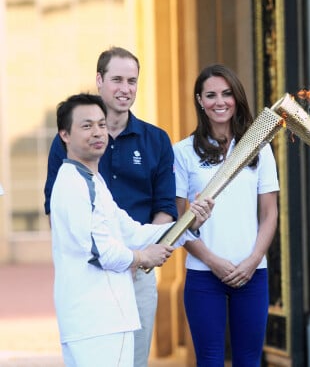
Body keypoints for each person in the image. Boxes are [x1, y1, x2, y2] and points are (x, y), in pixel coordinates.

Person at [50, 93, 213, 366]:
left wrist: (188, 224)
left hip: (108, 320)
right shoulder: (74, 185)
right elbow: (100, 250)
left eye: (101, 125)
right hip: (95, 322)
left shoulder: (93, 180)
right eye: (87, 126)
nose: (97, 132)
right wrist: (141, 258)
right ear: (65, 134)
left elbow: (133, 232)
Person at [43, 46, 176, 366]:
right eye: (117, 79)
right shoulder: (72, 160)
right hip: (93, 289)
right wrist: (134, 257)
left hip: (134, 277)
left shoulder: (152, 142)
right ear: (99, 80)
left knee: (134, 360)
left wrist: (186, 229)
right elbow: (79, 232)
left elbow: (154, 213)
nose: (125, 88)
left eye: (132, 81)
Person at [173, 64, 279, 365]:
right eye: (211, 95)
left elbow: (270, 213)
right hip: (204, 275)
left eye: (227, 94)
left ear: (237, 98)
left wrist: (253, 260)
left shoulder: (258, 147)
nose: (220, 102)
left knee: (249, 360)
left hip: (252, 273)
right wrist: (212, 261)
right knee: (210, 360)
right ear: (200, 101)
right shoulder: (182, 152)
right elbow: (178, 220)